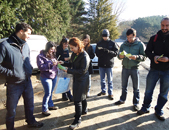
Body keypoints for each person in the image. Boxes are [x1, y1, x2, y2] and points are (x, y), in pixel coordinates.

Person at [0, 22, 43, 130]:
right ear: (21, 31)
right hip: (14, 84)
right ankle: (10, 128)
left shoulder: (25, 44)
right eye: (28, 33)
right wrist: (11, 73)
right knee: (11, 109)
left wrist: (29, 69)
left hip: (27, 81)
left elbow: (26, 59)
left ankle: (31, 121)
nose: (29, 36)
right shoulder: (5, 45)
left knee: (30, 104)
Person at [137, 17, 169, 121]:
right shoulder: (154, 38)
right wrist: (153, 57)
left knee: (164, 93)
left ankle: (159, 110)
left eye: (167, 26)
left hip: (167, 71)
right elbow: (147, 52)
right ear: (160, 25)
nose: (164, 28)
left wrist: (168, 59)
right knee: (148, 91)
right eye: (163, 25)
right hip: (154, 69)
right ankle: (145, 107)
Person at [61, 37, 90, 129]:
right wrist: (63, 63)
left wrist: (68, 70)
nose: (71, 50)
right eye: (70, 48)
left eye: (72, 48)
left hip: (82, 79)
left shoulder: (84, 56)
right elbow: (72, 64)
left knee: (77, 99)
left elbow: (82, 70)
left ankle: (78, 119)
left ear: (78, 46)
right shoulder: (74, 54)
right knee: (82, 96)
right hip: (77, 78)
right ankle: (84, 110)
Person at [114, 28, 146, 111]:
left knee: (136, 88)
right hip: (125, 68)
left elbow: (144, 57)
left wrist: (136, 57)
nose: (129, 39)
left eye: (131, 38)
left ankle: (136, 103)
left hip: (135, 69)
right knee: (124, 86)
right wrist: (120, 56)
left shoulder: (140, 44)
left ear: (135, 36)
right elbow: (118, 55)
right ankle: (122, 99)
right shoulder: (124, 45)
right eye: (127, 37)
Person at [37, 41, 59, 116]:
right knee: (47, 93)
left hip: (54, 76)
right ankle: (44, 109)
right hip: (46, 77)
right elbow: (41, 67)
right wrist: (51, 64)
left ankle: (50, 105)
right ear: (47, 48)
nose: (53, 50)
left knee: (50, 92)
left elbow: (55, 65)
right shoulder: (40, 56)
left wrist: (58, 63)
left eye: (54, 49)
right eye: (51, 49)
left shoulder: (52, 55)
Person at [95, 29, 118, 100]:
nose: (105, 38)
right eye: (104, 36)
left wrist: (108, 52)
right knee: (102, 79)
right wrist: (101, 52)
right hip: (101, 63)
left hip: (109, 64)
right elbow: (97, 53)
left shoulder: (112, 43)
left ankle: (110, 93)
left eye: (106, 36)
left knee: (109, 80)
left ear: (108, 36)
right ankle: (103, 91)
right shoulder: (99, 43)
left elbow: (116, 53)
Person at [56, 37, 73, 102]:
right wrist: (68, 58)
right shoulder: (58, 49)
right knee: (63, 81)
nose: (66, 45)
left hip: (66, 67)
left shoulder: (66, 49)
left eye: (67, 44)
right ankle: (69, 96)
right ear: (62, 43)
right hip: (60, 67)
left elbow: (67, 58)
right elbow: (59, 58)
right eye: (65, 44)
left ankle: (64, 96)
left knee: (66, 81)